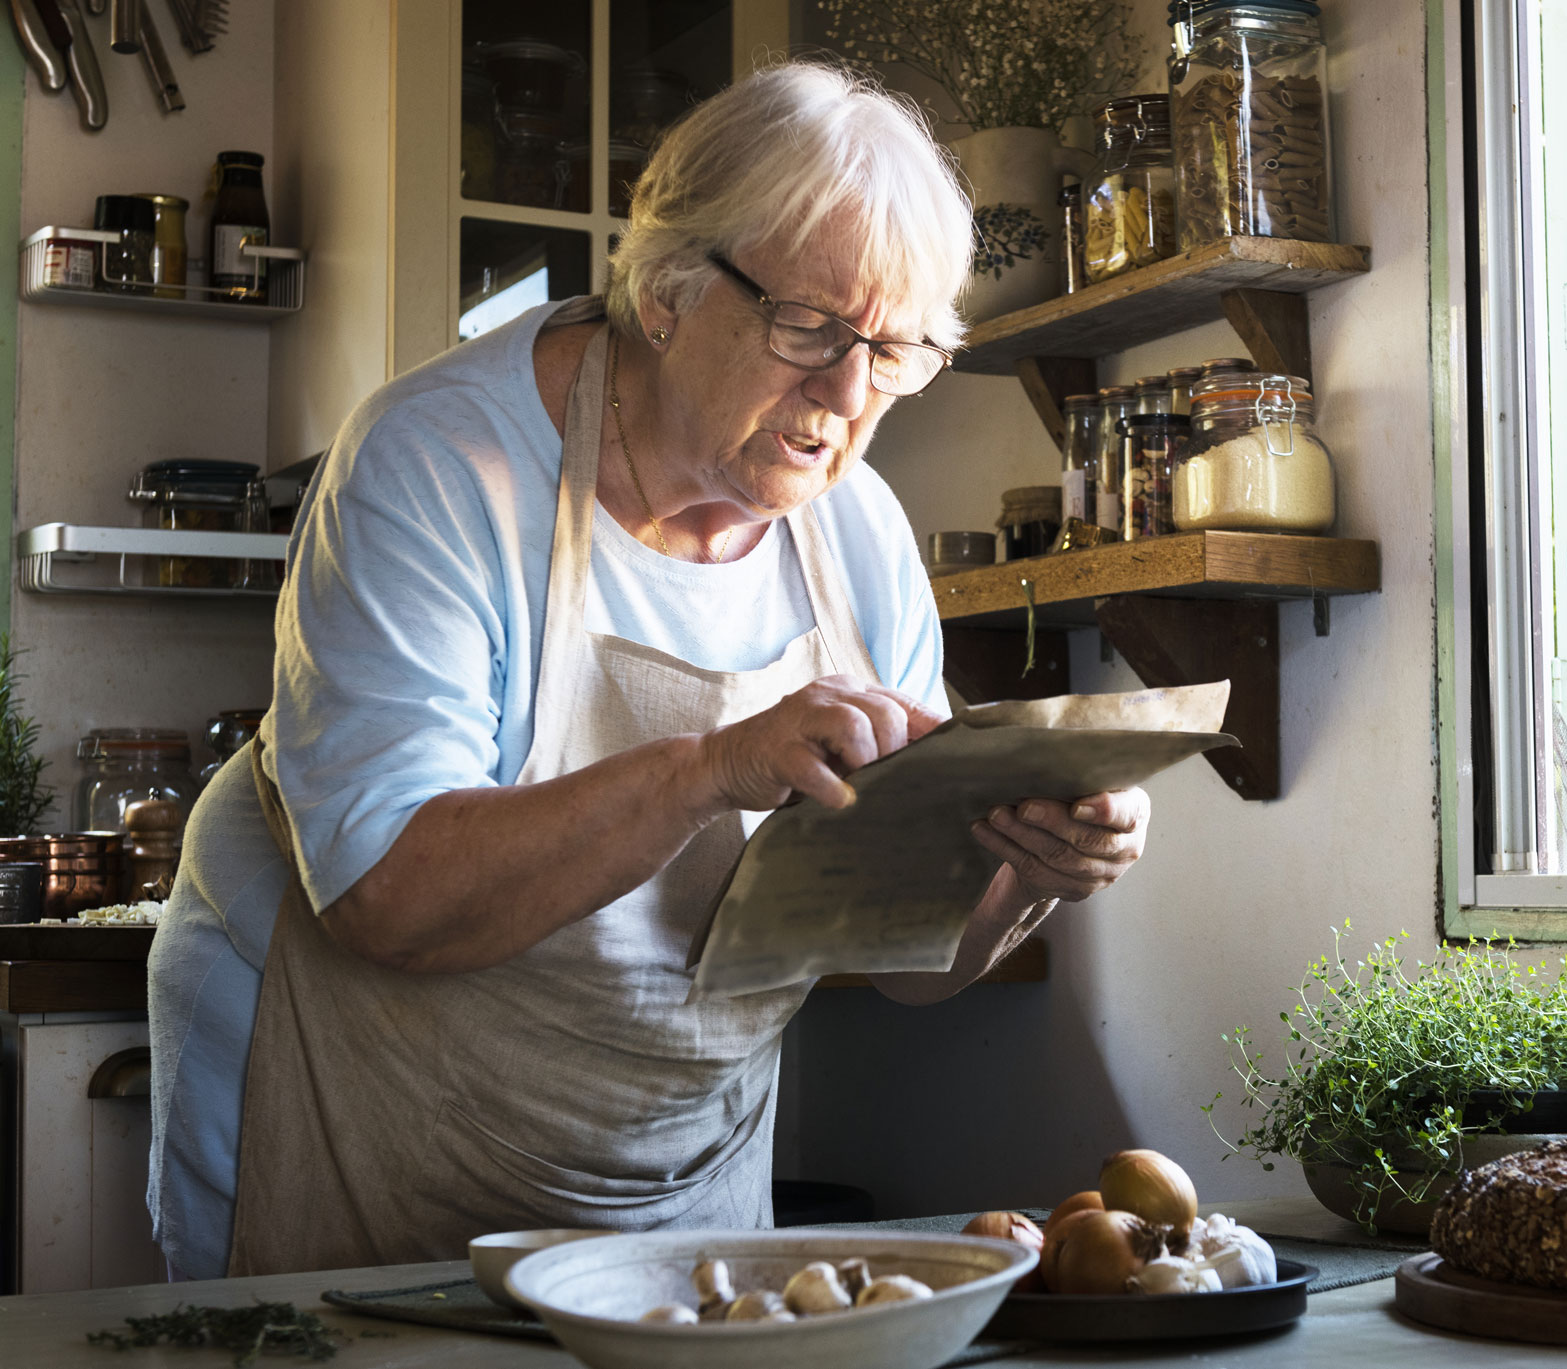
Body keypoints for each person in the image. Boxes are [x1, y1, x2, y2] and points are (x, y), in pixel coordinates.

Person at [146, 62, 1151, 1279]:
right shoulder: (440, 464)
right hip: (354, 1092)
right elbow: (387, 895)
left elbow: (903, 962)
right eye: (810, 329)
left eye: (891, 352)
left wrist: (1022, 869)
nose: (844, 394)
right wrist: (705, 769)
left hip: (667, 1159)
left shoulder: (860, 536)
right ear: (671, 290)